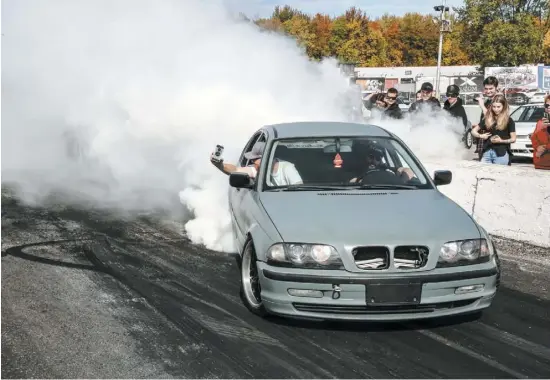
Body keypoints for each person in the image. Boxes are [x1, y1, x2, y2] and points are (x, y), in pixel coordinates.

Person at [210, 141, 303, 186]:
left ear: (266, 158)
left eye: (254, 160)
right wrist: (219, 164)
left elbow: (299, 190)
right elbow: (235, 170)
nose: (253, 163)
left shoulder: (287, 168)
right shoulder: (258, 169)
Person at [470, 94, 516, 165]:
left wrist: (501, 141)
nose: (496, 109)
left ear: (504, 107)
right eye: (494, 107)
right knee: (484, 174)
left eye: (498, 107)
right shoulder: (488, 119)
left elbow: (513, 139)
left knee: (498, 175)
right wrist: (480, 136)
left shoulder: (509, 120)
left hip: (501, 153)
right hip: (487, 152)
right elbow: (473, 131)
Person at [530, 95, 550, 170]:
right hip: (540, 164)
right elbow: (534, 137)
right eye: (547, 105)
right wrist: (537, 147)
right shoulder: (540, 122)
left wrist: (545, 149)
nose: (548, 107)